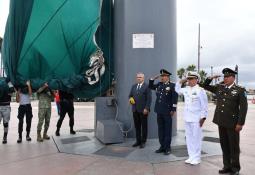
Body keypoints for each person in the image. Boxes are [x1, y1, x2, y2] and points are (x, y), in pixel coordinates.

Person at [200, 68, 248, 175]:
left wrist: (240, 123)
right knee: (224, 145)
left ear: (233, 78)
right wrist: (210, 78)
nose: (225, 79)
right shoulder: (220, 88)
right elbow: (205, 86)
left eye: (227, 77)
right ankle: (226, 166)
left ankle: (235, 168)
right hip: (221, 122)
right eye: (224, 77)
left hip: (233, 124)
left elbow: (243, 109)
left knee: (234, 146)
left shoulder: (240, 90)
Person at [175, 71, 208, 165]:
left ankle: (197, 158)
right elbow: (177, 89)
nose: (189, 80)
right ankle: (191, 156)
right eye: (188, 79)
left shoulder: (200, 90)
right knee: (189, 138)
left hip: (197, 118)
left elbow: (204, 106)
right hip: (187, 117)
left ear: (196, 80)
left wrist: (203, 118)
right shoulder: (186, 89)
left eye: (191, 79)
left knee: (196, 138)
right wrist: (182, 81)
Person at [149, 69, 178, 155]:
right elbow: (150, 87)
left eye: (164, 76)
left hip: (167, 111)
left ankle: (167, 147)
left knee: (167, 130)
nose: (162, 78)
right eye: (161, 76)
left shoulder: (172, 85)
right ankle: (162, 146)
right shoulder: (159, 85)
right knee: (160, 129)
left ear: (168, 77)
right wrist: (152, 79)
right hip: (159, 111)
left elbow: (174, 98)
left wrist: (173, 109)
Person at [129, 72, 152, 148]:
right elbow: (130, 96)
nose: (138, 78)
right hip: (135, 110)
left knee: (144, 127)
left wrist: (147, 108)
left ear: (143, 78)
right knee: (137, 126)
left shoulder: (147, 87)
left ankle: (143, 142)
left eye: (140, 77)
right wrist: (130, 99)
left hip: (143, 110)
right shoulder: (133, 86)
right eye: (137, 77)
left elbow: (149, 99)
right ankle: (138, 141)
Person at [0, 78, 15, 144]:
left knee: (5, 123)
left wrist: (8, 82)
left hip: (6, 106)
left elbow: (12, 90)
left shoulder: (8, 81)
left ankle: (5, 137)